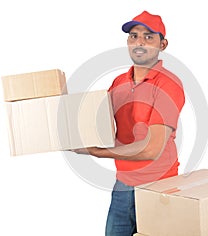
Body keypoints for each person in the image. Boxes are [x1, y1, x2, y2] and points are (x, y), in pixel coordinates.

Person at [72, 10, 185, 236]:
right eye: (133, 36)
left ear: (163, 44)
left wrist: (97, 152)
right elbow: (96, 122)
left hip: (159, 185)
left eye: (148, 36)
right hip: (123, 184)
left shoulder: (168, 84)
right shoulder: (119, 82)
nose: (139, 42)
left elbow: (152, 149)